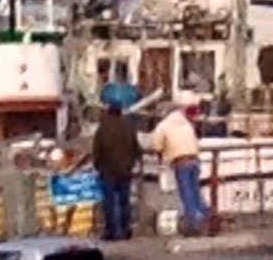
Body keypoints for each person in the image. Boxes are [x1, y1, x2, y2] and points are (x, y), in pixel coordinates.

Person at [146, 99, 210, 235]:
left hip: (181, 161)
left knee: (186, 193)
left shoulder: (163, 126)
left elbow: (156, 146)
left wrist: (160, 155)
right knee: (195, 192)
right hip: (195, 159)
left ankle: (194, 223)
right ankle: (206, 217)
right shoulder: (185, 122)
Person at [90, 92, 141, 241]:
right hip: (125, 170)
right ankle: (126, 230)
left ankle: (111, 231)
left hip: (108, 171)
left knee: (109, 203)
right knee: (125, 202)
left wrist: (98, 166)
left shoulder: (103, 128)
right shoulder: (128, 127)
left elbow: (97, 150)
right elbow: (136, 149)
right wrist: (131, 164)